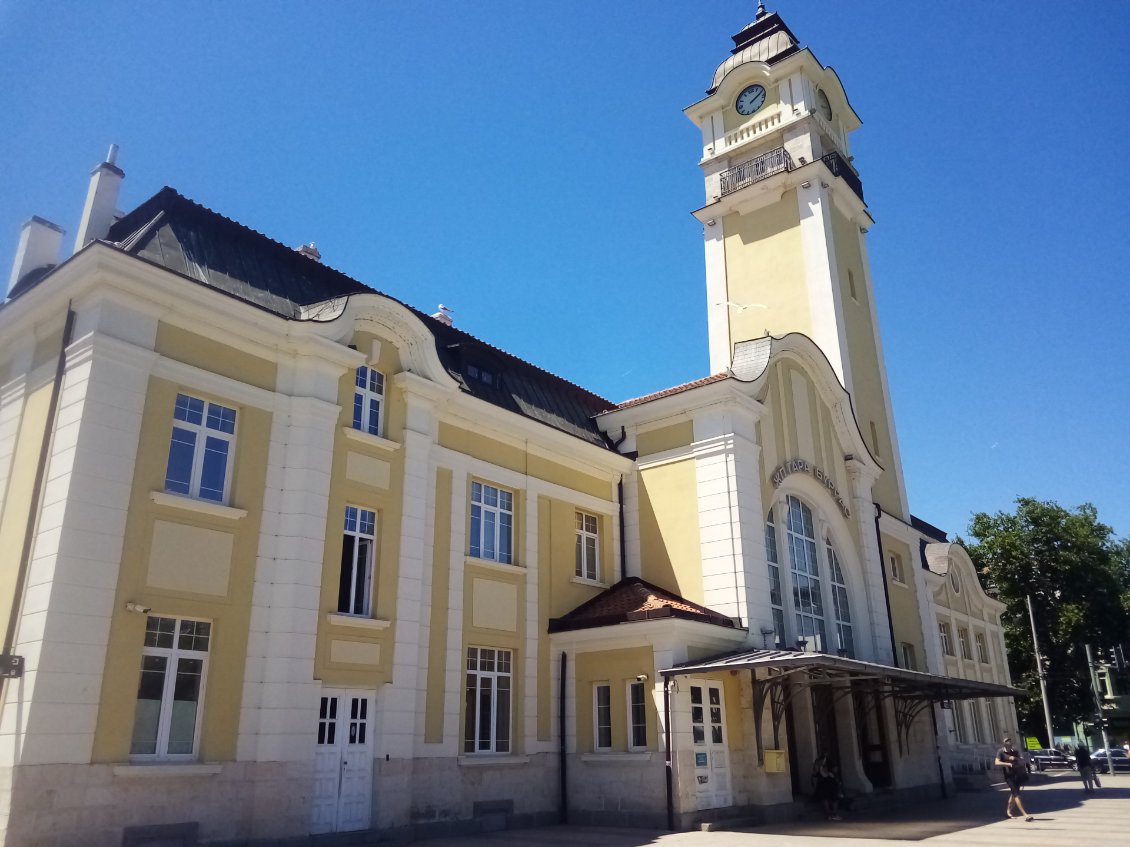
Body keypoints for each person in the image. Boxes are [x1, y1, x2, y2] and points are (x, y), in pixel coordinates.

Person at [995, 737, 1033, 821]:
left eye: (1010, 742)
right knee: (1016, 794)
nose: (1009, 743)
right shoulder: (1000, 752)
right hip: (1009, 776)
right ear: (1004, 743)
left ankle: (1008, 812)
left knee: (1013, 794)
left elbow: (1022, 760)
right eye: (1007, 742)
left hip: (1017, 775)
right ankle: (1025, 815)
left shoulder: (1014, 751)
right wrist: (1007, 764)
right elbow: (997, 762)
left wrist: (1015, 758)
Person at [811, 755, 843, 821]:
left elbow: (814, 775)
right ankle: (833, 814)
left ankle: (829, 815)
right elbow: (833, 773)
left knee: (825, 799)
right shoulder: (827, 765)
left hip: (822, 784)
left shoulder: (817, 765)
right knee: (834, 799)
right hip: (830, 784)